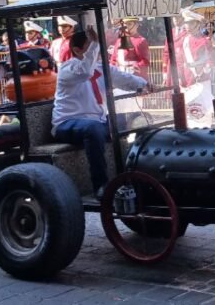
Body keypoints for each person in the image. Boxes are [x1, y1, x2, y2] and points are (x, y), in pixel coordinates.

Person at [52, 28, 148, 200]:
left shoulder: (101, 68)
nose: (96, 51)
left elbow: (123, 79)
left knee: (139, 120)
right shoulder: (68, 70)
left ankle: (137, 174)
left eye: (96, 47)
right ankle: (101, 185)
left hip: (98, 121)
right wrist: (96, 43)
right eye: (91, 48)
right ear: (77, 50)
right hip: (67, 123)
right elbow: (85, 72)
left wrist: (144, 85)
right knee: (93, 128)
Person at [179, 9, 215, 128]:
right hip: (188, 79)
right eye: (186, 23)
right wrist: (180, 77)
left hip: (201, 79)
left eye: (190, 23)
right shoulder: (184, 40)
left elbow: (209, 60)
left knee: (203, 110)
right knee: (190, 110)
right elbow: (181, 59)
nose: (187, 26)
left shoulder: (204, 40)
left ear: (197, 24)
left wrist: (205, 69)